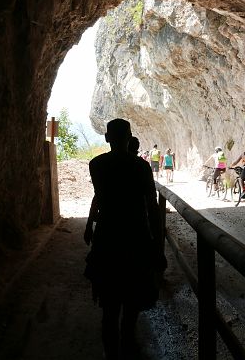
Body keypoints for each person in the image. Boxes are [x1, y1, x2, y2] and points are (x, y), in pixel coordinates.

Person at [83, 120, 165, 359]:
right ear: (130, 137)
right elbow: (152, 208)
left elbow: (98, 198)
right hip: (136, 240)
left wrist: (89, 225)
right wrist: (158, 248)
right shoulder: (141, 167)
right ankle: (128, 347)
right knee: (131, 307)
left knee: (108, 309)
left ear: (107, 138)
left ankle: (111, 354)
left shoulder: (96, 165)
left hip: (107, 239)